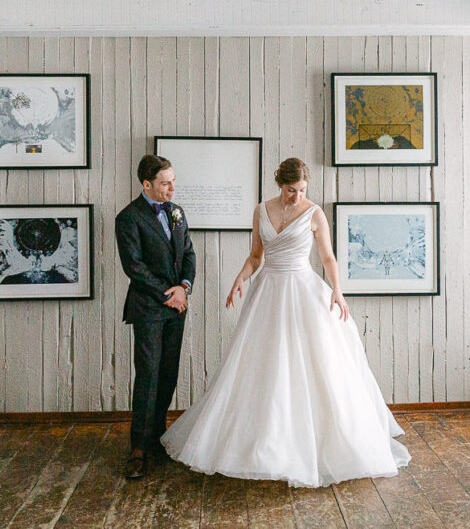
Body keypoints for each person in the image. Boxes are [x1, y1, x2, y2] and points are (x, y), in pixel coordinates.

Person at [161, 158, 410, 487]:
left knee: (314, 367)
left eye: (303, 190)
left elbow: (327, 258)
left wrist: (337, 290)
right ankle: (260, 445)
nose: (297, 196)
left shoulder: (314, 212)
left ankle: (317, 445)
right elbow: (256, 256)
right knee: (262, 366)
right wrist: (240, 279)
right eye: (292, 190)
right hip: (267, 291)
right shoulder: (261, 210)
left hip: (303, 292)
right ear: (280, 184)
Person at [115, 154, 196, 480]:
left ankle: (157, 437)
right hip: (150, 308)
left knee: (168, 373)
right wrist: (170, 293)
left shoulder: (177, 213)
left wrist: (185, 287)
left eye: (173, 181)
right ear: (146, 184)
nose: (172, 187)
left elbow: (188, 253)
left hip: (177, 307)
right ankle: (138, 448)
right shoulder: (128, 218)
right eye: (165, 183)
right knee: (147, 376)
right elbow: (134, 267)